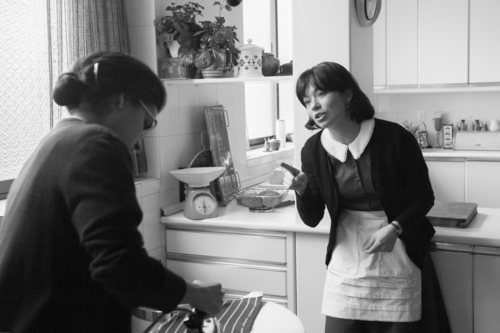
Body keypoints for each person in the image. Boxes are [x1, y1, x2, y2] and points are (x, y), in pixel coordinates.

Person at [0, 51, 223, 333]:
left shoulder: (56, 142)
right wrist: (193, 294)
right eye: (147, 122)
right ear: (121, 100)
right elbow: (119, 263)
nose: (141, 138)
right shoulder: (97, 144)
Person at [291, 62, 450, 333]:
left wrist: (395, 228)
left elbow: (424, 196)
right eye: (307, 100)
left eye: (320, 94)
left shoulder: (395, 138)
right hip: (347, 255)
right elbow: (312, 217)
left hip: (398, 247)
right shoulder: (314, 150)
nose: (313, 106)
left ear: (348, 95)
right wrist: (303, 190)